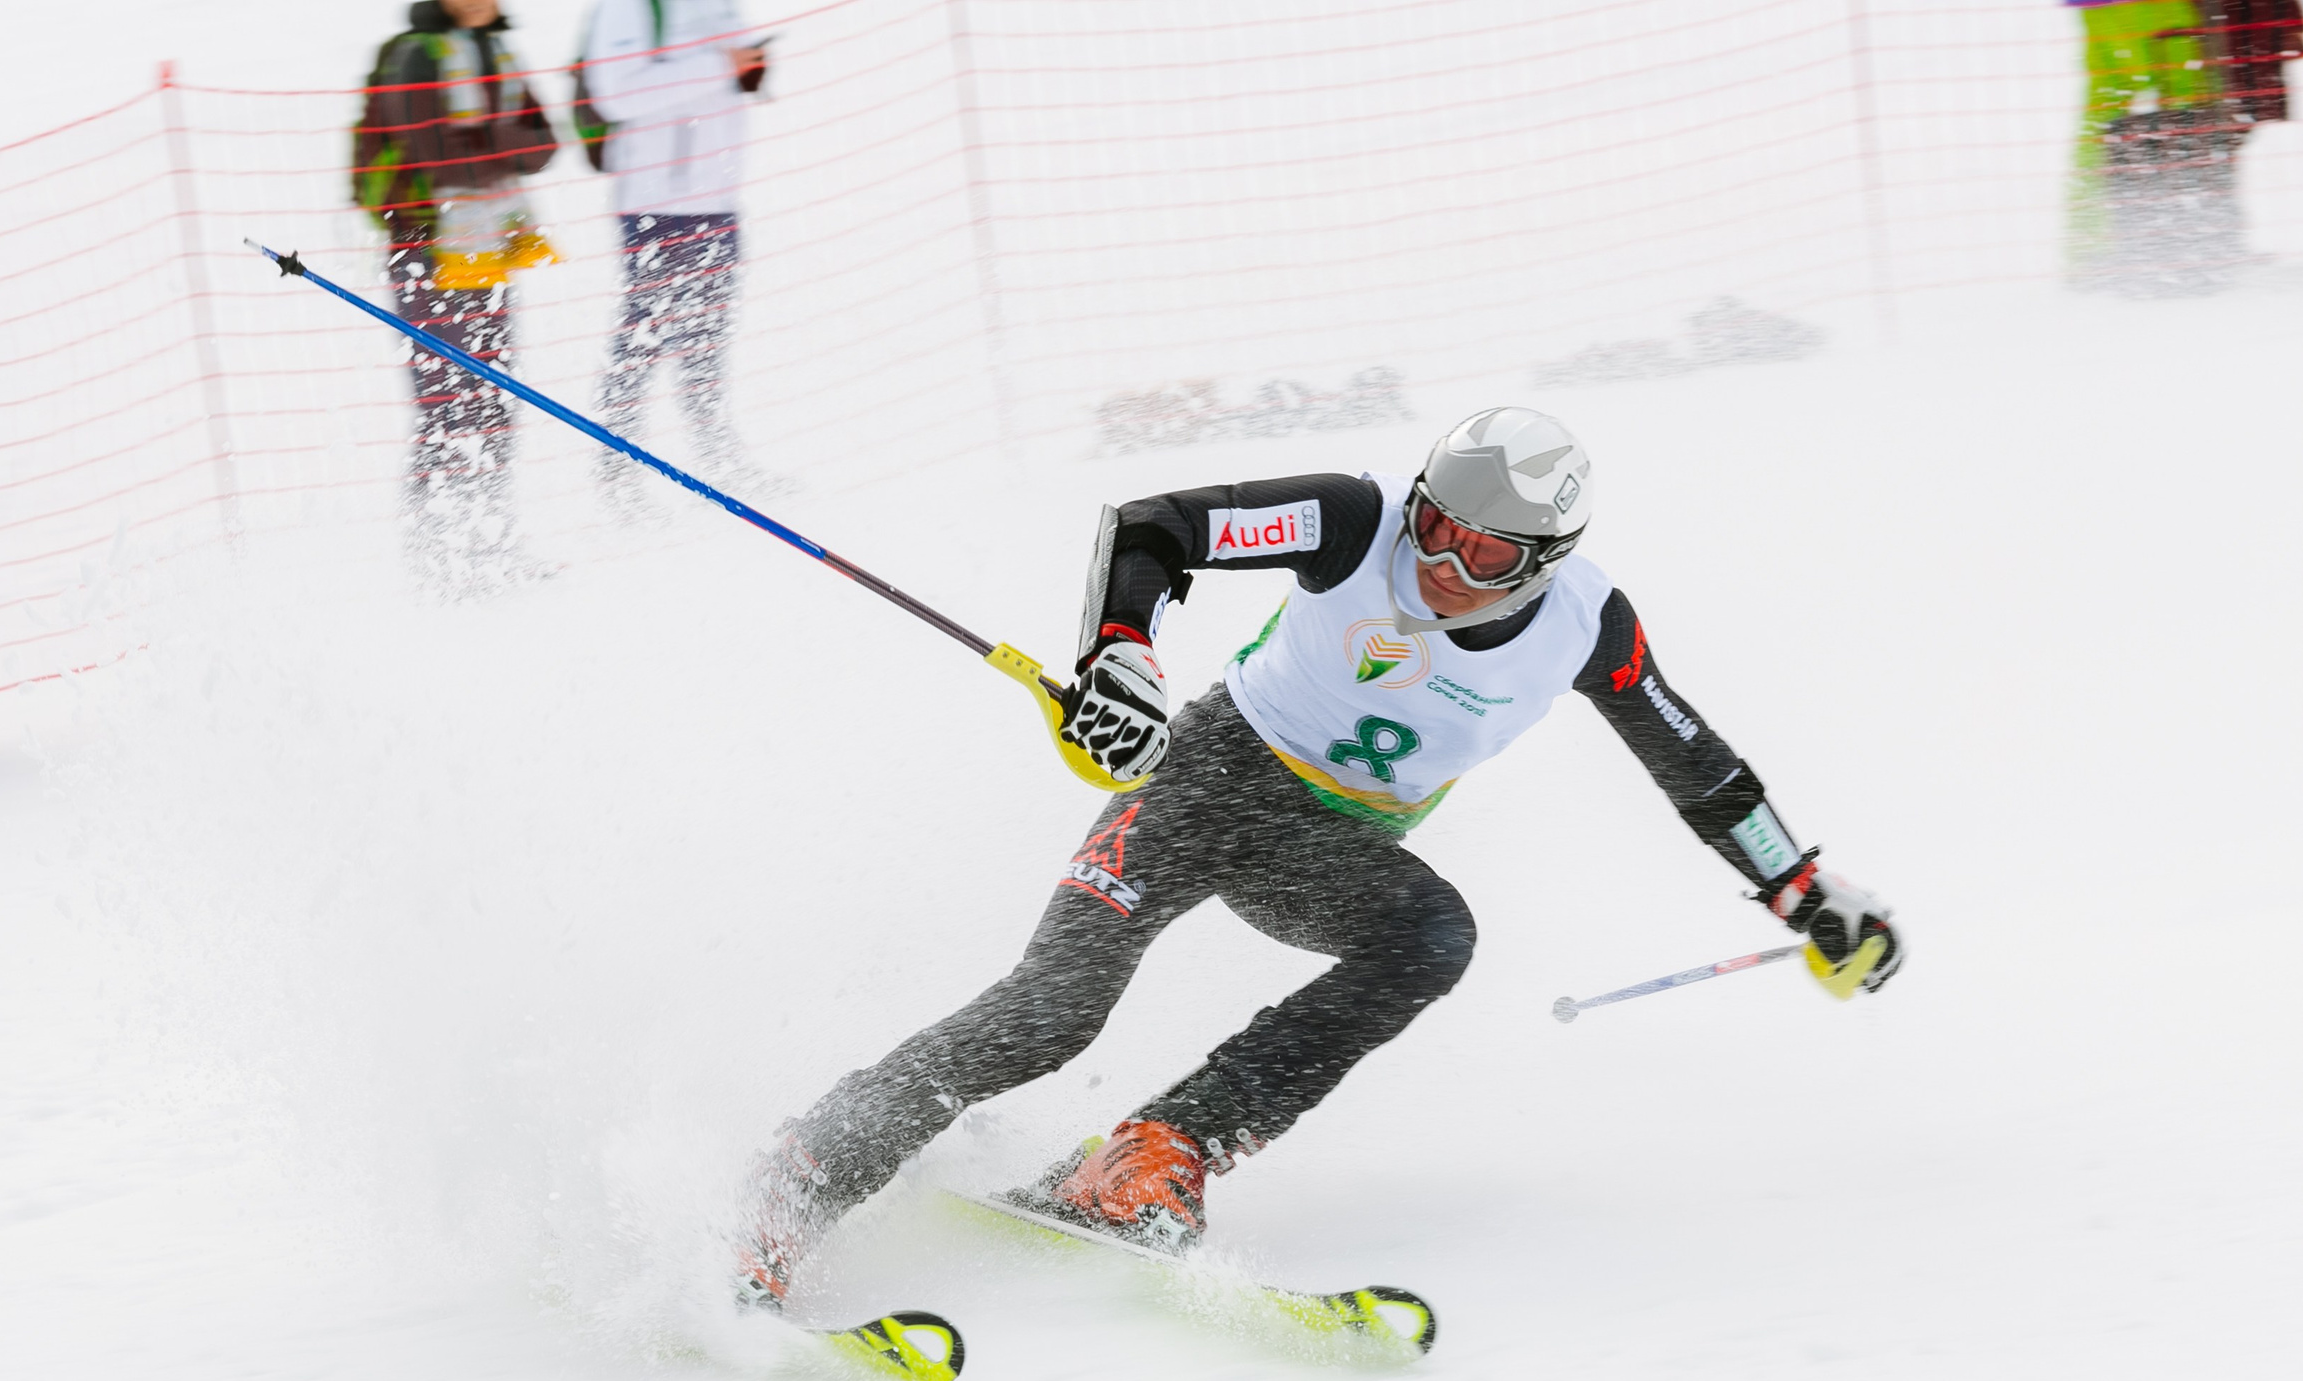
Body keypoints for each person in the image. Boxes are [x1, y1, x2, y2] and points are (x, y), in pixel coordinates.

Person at [733, 408, 1906, 1305]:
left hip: (1325, 848)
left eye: (1484, 554)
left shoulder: (1584, 626)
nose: (1442, 562)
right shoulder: (1354, 519)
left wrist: (1804, 890)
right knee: (1053, 1012)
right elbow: (1157, 527)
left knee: (1432, 935)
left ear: (1541, 561)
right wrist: (1123, 653)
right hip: (1202, 778)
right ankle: (799, 1177)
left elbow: (1695, 763)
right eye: (1435, 527)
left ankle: (1156, 1149)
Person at [354, 1, 560, 588]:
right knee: (445, 407)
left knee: (493, 402)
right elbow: (440, 159)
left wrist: (485, 142)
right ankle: (437, 559)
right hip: (425, 249)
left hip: (487, 250)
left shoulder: (498, 50)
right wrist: (501, 144)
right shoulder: (417, 55)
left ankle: (492, 543)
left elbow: (545, 147)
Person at [572, 0, 768, 501]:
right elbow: (616, 94)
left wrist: (750, 65)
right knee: (644, 340)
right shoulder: (628, 7)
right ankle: (618, 474)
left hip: (717, 198)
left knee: (706, 342)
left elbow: (736, 62)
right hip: (655, 202)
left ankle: (719, 461)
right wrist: (718, 65)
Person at [2063, 0, 2299, 293]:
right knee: (2189, 113)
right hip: (2156, 8)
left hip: (2095, 9)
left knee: (2100, 118)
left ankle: (2089, 251)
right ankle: (2197, 242)